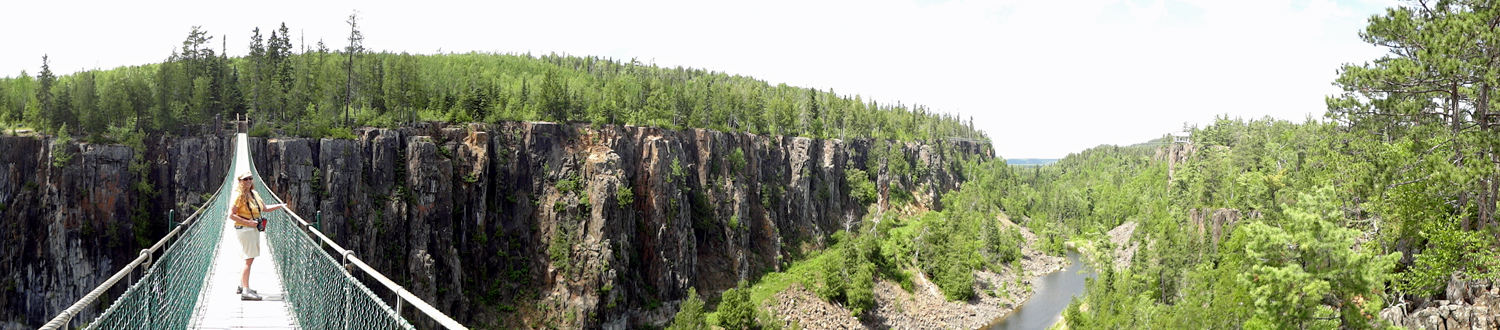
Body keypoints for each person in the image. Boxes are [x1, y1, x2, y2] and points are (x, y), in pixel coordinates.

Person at [228, 171, 286, 301]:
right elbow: (231, 215)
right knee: (249, 259)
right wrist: (248, 222)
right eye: (245, 179)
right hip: (245, 229)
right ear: (240, 181)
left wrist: (280, 206)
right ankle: (246, 291)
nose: (248, 181)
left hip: (252, 229)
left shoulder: (254, 193)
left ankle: (243, 285)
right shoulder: (239, 195)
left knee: (246, 257)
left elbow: (264, 208)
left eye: (250, 178)